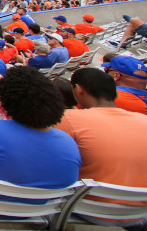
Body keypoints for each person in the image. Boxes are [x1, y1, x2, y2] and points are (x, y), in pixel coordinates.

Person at [55, 68, 147, 224]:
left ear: (78, 90)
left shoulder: (69, 119)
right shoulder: (143, 120)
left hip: (84, 210)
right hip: (138, 214)